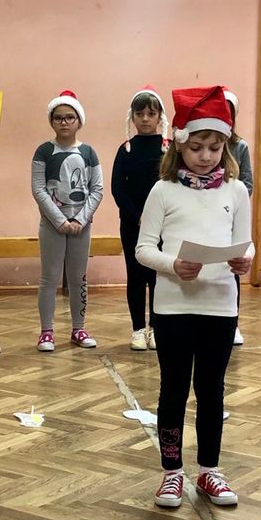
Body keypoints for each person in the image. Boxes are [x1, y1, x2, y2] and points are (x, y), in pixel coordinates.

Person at [136, 85, 252, 508]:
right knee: (173, 389)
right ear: (180, 145)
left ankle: (209, 471)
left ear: (226, 147)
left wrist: (245, 260)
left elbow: (246, 243)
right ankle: (171, 473)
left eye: (215, 148)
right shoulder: (163, 191)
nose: (206, 156)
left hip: (220, 305)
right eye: (197, 147)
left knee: (211, 390)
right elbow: (143, 249)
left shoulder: (236, 191)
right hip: (173, 306)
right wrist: (173, 265)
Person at [31, 90, 104, 352]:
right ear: (51, 121)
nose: (64, 122)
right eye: (58, 117)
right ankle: (46, 332)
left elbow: (97, 189)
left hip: (81, 227)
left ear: (78, 121)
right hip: (52, 226)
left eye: (69, 117)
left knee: (78, 279)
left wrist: (81, 220)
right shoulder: (44, 151)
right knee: (49, 278)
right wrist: (60, 221)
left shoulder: (88, 152)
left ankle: (78, 328)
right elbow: (39, 189)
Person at [111, 85, 168, 351]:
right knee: (135, 276)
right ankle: (137, 329)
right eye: (140, 114)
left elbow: (173, 185)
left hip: (164, 226)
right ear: (132, 117)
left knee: (158, 277)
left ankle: (156, 328)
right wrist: (137, 217)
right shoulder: (126, 150)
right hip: (132, 224)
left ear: (159, 117)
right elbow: (117, 188)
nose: (145, 119)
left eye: (151, 114)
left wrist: (158, 219)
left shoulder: (169, 150)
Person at [223, 89, 253, 346]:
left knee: (233, 267)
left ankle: (232, 323)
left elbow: (247, 183)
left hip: (231, 217)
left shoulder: (239, 146)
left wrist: (234, 206)